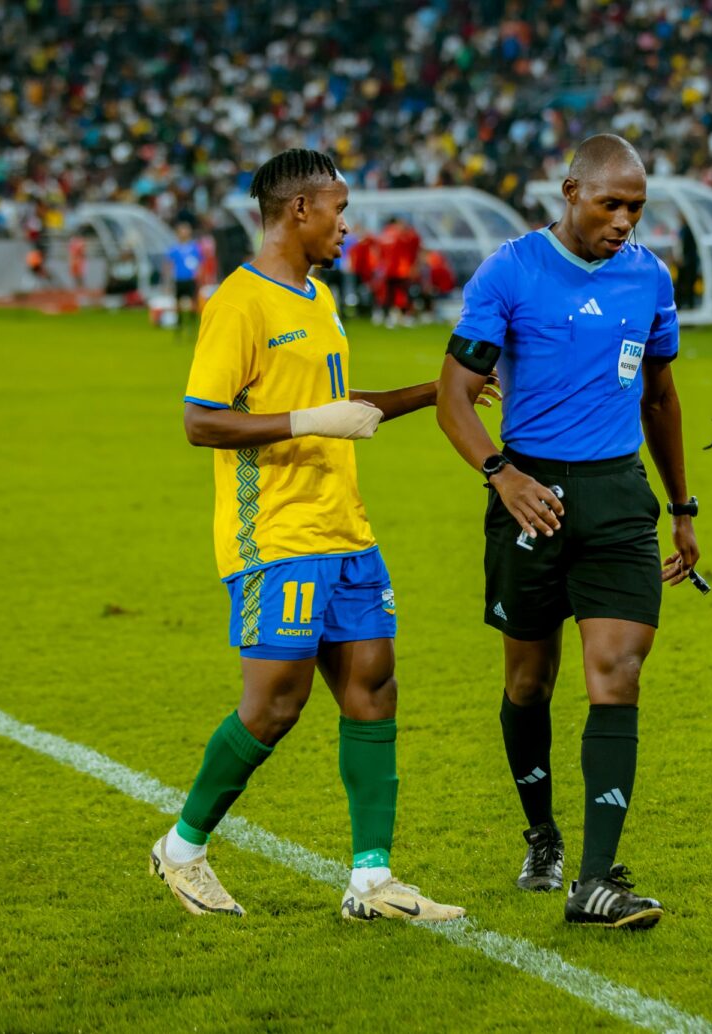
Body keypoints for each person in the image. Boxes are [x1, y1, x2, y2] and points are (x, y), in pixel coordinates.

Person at [153, 149, 470, 924]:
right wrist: (307, 420)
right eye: (338, 208)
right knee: (274, 705)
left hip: (345, 527)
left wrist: (437, 392)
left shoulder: (319, 297)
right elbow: (201, 420)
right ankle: (182, 849)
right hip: (277, 533)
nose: (346, 224)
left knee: (374, 687)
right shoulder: (239, 302)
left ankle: (372, 881)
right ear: (299, 209)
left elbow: (334, 402)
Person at [435, 133, 701, 929]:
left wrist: (682, 508)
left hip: (618, 497)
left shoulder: (650, 278)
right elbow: (454, 396)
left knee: (617, 672)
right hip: (530, 496)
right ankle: (542, 835)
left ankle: (594, 881)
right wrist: (501, 473)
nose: (624, 221)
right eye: (611, 204)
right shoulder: (510, 271)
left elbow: (660, 396)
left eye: (636, 208)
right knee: (529, 683)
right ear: (571, 191)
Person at [167, 222, 204, 338]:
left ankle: (192, 326)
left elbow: (200, 263)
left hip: (191, 279)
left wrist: (199, 276)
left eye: (185, 230)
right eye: (181, 231)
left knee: (193, 303)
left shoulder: (194, 247)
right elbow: (169, 264)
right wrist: (168, 280)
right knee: (178, 304)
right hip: (179, 279)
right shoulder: (174, 249)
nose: (183, 233)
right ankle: (179, 326)